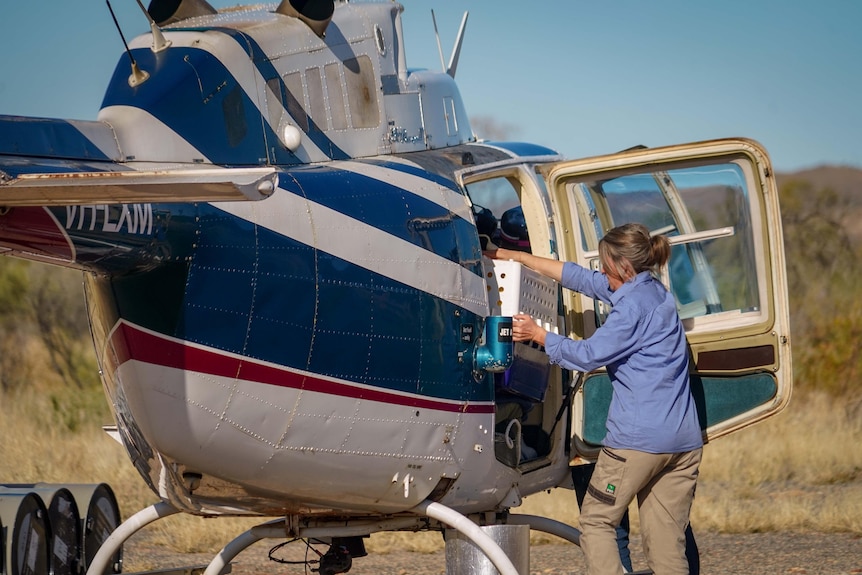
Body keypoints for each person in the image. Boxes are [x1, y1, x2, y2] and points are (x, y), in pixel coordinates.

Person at [485, 222, 703, 575]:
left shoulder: (629, 309)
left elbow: (587, 355)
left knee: (597, 521)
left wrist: (538, 335)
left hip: (637, 442)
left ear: (622, 267)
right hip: (683, 442)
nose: (600, 271)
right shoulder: (655, 292)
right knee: (666, 541)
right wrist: (515, 256)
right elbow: (579, 278)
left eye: (604, 265)